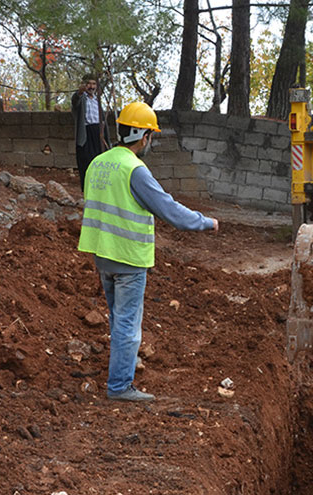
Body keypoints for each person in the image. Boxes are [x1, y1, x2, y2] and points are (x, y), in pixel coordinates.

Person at [78, 101, 219, 402]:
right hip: (128, 257)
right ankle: (119, 387)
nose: (150, 141)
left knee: (118, 319)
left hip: (102, 255)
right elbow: (169, 210)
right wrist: (206, 222)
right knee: (128, 323)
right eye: (150, 135)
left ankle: (122, 367)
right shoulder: (135, 169)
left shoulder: (98, 163)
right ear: (143, 136)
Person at [70, 73, 111, 191]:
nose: (91, 87)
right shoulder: (81, 98)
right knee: (87, 162)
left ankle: (101, 189)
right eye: (88, 84)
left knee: (101, 161)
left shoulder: (97, 100)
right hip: (86, 134)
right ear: (84, 85)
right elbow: (75, 101)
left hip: (99, 133)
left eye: (94, 84)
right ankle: (88, 191)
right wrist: (79, 92)